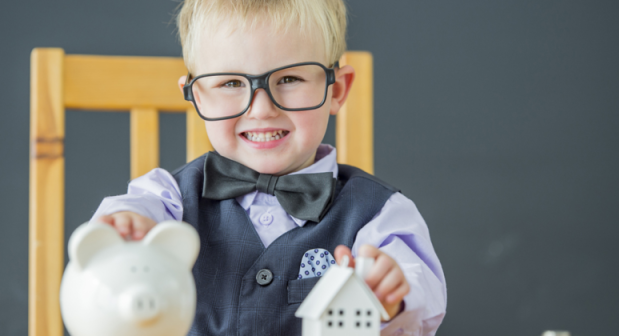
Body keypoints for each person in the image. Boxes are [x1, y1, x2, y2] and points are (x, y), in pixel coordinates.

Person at [91, 0, 446, 334]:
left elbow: (422, 293)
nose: (261, 109)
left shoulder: (378, 215)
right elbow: (127, 216)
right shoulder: (168, 198)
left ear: (336, 89)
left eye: (289, 80)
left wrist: (391, 297)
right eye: (231, 83)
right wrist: (127, 229)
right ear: (198, 97)